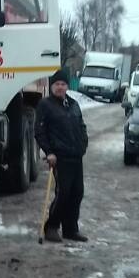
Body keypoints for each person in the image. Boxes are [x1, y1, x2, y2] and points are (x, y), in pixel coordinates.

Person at [34, 69, 89, 243]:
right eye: (57, 84)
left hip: (76, 156)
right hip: (59, 157)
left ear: (67, 86)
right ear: (52, 86)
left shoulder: (73, 104)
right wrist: (49, 152)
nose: (60, 87)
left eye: (63, 84)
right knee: (63, 193)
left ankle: (70, 229)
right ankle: (51, 227)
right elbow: (40, 131)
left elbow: (81, 126)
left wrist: (83, 143)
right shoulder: (45, 105)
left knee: (77, 192)